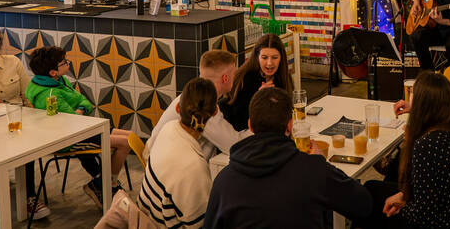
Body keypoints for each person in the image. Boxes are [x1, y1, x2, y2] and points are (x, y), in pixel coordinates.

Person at [204, 87, 372, 229]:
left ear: (250, 126)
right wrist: (320, 163)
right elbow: (364, 205)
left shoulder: (223, 181)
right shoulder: (314, 170)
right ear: (290, 126)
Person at [359, 72, 450, 229]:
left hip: (446, 221)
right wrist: (404, 196)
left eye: (412, 92)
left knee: (368, 199)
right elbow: (432, 187)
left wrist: (404, 208)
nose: (409, 96)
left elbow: (425, 214)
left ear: (422, 103)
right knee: (372, 189)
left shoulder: (426, 144)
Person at [25, 46, 131, 207]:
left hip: (81, 129)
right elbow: (71, 120)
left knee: (130, 137)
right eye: (64, 62)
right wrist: (80, 112)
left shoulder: (60, 81)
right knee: (125, 143)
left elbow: (84, 101)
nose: (68, 63)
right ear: (53, 72)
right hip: (67, 138)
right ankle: (107, 184)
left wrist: (81, 110)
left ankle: (101, 181)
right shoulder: (49, 94)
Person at [0, 26, 50, 220]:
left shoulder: (12, 62)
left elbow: (27, 94)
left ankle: (29, 197)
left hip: (17, 120)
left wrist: (37, 117)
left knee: (26, 145)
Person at [139, 78, 218, 229]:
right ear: (215, 112)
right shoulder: (195, 167)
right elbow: (199, 224)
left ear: (177, 108)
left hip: (145, 220)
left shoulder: (167, 129)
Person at [145, 49, 249, 160]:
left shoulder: (192, 96)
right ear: (225, 78)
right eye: (234, 73)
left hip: (156, 154)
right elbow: (234, 145)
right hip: (163, 164)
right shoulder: (202, 106)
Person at [220, 34, 294, 131]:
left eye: (275, 57)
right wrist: (259, 97)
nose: (269, 63)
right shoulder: (243, 78)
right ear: (257, 57)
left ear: (281, 58)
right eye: (264, 57)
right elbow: (239, 120)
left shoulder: (283, 76)